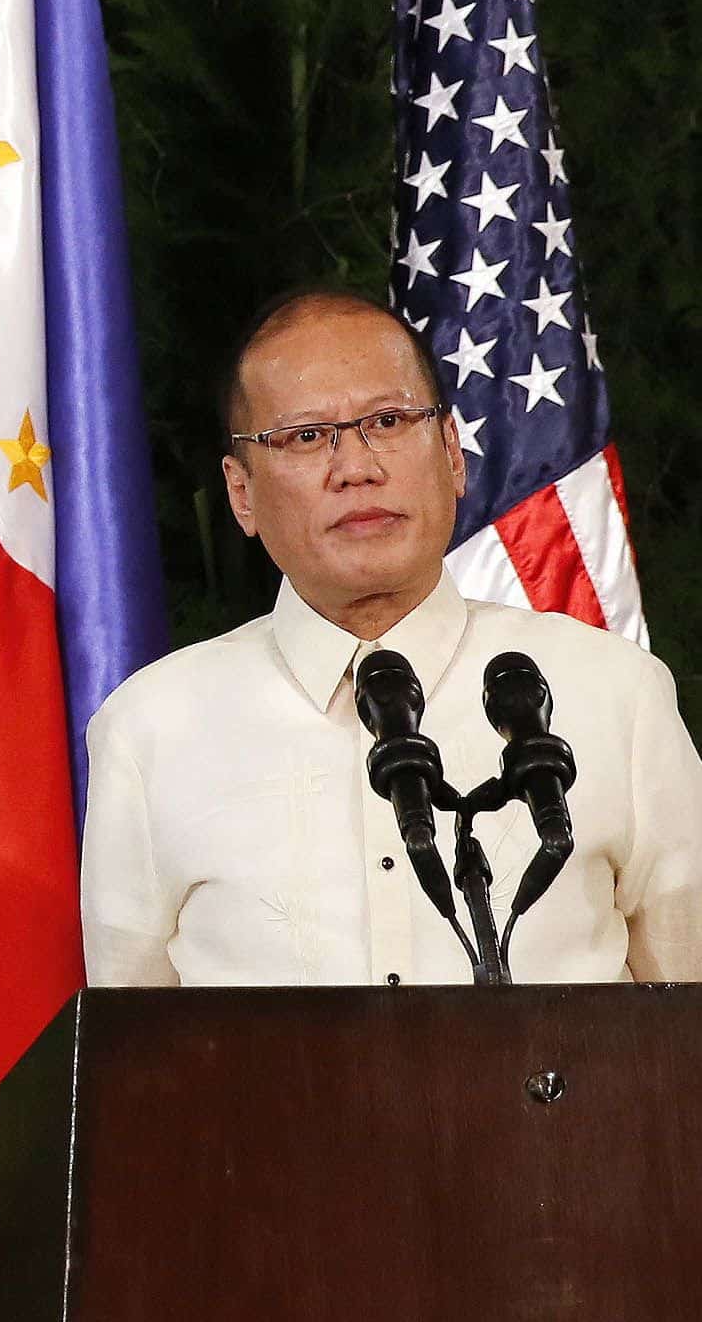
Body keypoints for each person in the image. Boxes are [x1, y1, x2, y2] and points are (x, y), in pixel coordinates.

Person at [81, 284, 702, 987]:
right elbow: (137, 1068)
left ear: (452, 451)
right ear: (242, 492)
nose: (357, 467)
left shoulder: (614, 694)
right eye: (306, 436)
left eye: (388, 418)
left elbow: (685, 1033)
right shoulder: (151, 729)